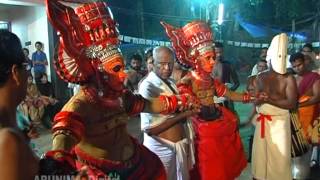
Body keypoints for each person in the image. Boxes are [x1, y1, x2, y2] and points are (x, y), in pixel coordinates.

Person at [41, 1, 197, 179]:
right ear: (98, 70)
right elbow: (63, 133)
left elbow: (147, 105)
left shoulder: (120, 97)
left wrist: (180, 101)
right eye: (117, 69)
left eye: (123, 68)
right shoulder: (82, 103)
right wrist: (58, 160)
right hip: (102, 172)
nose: (124, 75)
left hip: (135, 164)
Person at [162, 20, 250, 180]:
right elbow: (183, 98)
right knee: (207, 164)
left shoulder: (211, 80)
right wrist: (188, 98)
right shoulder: (187, 80)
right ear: (196, 59)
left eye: (213, 58)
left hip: (217, 120)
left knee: (223, 160)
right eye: (208, 58)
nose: (213, 62)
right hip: (201, 126)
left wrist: (249, 97)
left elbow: (229, 94)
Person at [139, 46, 198, 180]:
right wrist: (184, 115)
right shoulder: (147, 86)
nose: (167, 68)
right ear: (153, 63)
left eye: (170, 64)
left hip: (177, 147)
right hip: (160, 149)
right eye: (162, 64)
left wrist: (186, 106)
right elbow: (150, 130)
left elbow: (174, 109)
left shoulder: (170, 82)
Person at [251, 33, 298, 180]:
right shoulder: (261, 76)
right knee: (261, 156)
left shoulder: (288, 78)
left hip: (280, 125)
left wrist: (269, 99)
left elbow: (291, 103)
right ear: (269, 57)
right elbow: (255, 101)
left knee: (280, 158)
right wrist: (259, 98)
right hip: (263, 123)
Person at [0, 30, 39, 180]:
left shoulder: (13, 127)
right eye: (26, 67)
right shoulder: (7, 140)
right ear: (16, 73)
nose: (28, 74)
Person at [290, 52, 320, 175]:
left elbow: (317, 97)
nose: (297, 68)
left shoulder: (314, 77)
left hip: (310, 115)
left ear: (305, 62)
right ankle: (297, 173)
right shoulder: (293, 79)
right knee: (295, 148)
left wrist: (298, 105)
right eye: (294, 66)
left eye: (299, 65)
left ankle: (304, 173)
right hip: (294, 116)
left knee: (306, 146)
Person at [212, 42, 239, 111]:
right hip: (211, 100)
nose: (219, 55)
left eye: (220, 52)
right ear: (212, 52)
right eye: (216, 52)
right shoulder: (206, 66)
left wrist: (229, 92)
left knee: (231, 118)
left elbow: (237, 83)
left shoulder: (228, 65)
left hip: (226, 101)